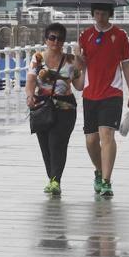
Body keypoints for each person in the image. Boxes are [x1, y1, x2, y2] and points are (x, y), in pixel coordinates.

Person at [76, 3, 129, 197]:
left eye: (104, 14)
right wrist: (78, 57)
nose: (100, 17)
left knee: (107, 135)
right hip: (90, 93)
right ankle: (100, 171)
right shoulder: (85, 36)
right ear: (93, 14)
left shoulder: (120, 36)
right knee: (91, 140)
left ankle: (107, 181)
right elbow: (80, 68)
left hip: (112, 92)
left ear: (110, 14)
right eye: (97, 13)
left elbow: (126, 65)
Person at [26, 23, 84, 196]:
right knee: (45, 147)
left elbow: (79, 86)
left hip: (65, 107)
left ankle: (55, 180)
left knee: (57, 143)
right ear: (46, 39)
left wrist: (83, 66)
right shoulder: (37, 58)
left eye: (59, 38)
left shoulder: (71, 60)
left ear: (64, 41)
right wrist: (29, 96)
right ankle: (52, 179)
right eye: (52, 37)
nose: (55, 41)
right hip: (41, 106)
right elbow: (30, 80)